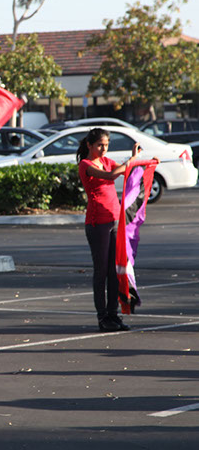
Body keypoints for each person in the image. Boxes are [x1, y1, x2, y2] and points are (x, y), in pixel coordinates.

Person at [76, 127, 141, 332]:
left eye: (106, 145)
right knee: (101, 272)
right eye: (99, 146)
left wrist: (140, 161)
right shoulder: (86, 164)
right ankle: (102, 317)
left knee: (115, 271)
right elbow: (112, 175)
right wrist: (131, 160)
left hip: (114, 221)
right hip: (98, 224)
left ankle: (113, 315)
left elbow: (126, 170)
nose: (104, 150)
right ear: (89, 145)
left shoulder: (105, 159)